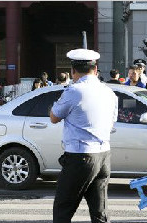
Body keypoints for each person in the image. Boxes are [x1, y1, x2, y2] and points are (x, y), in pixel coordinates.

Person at [50, 48, 118, 223]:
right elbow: (112, 123)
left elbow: (54, 117)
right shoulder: (109, 92)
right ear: (95, 70)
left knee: (63, 209)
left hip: (81, 155)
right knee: (99, 212)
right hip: (104, 154)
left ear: (73, 71)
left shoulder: (74, 91)